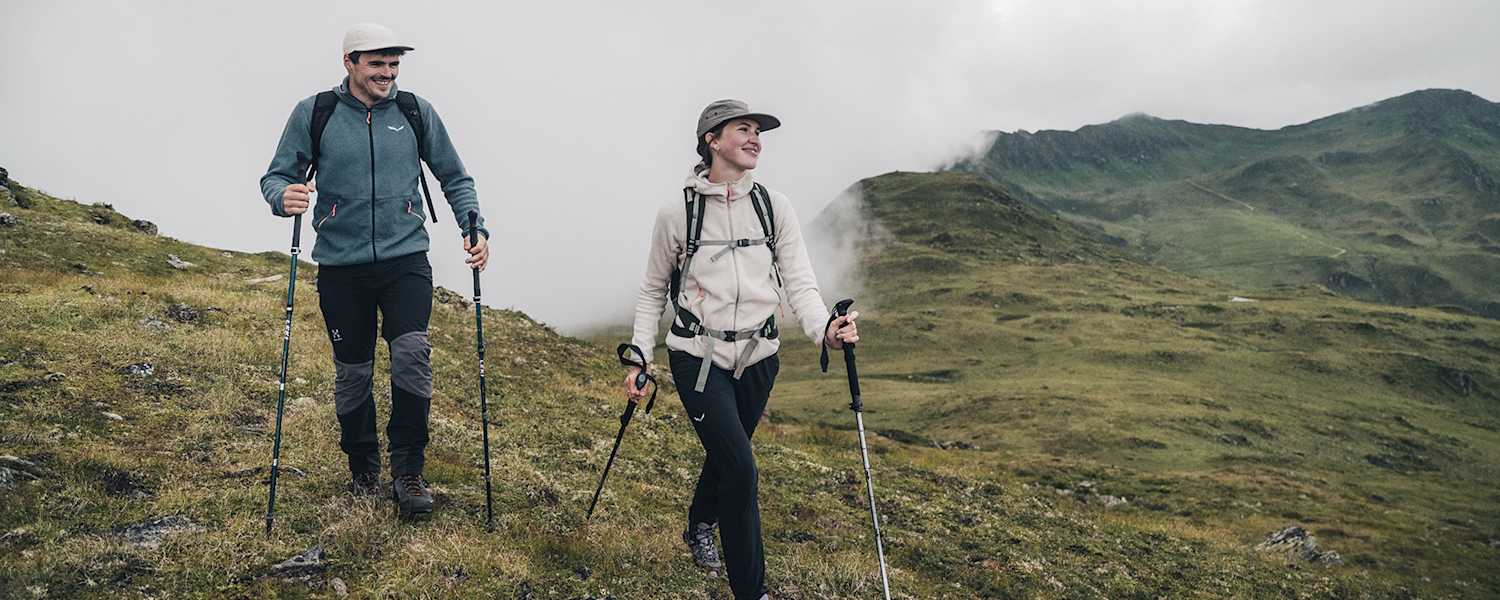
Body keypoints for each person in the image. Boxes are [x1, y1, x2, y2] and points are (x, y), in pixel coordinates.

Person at [626, 99, 860, 600]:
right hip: (697, 357)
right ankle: (752, 592)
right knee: (740, 466)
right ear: (712, 139)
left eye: (759, 132)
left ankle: (699, 524)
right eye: (744, 129)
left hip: (759, 357)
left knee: (729, 453)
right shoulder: (679, 212)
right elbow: (651, 291)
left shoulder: (774, 206)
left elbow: (799, 282)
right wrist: (641, 356)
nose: (756, 139)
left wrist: (825, 331)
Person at [259, 23, 488, 519]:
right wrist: (284, 197)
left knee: (411, 355)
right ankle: (363, 466)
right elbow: (277, 175)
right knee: (353, 373)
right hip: (342, 267)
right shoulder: (315, 113)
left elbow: (454, 175)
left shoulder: (413, 112)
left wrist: (475, 227)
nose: (387, 73)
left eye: (393, 65)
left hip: (406, 259)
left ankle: (408, 471)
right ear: (350, 63)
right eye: (376, 64)